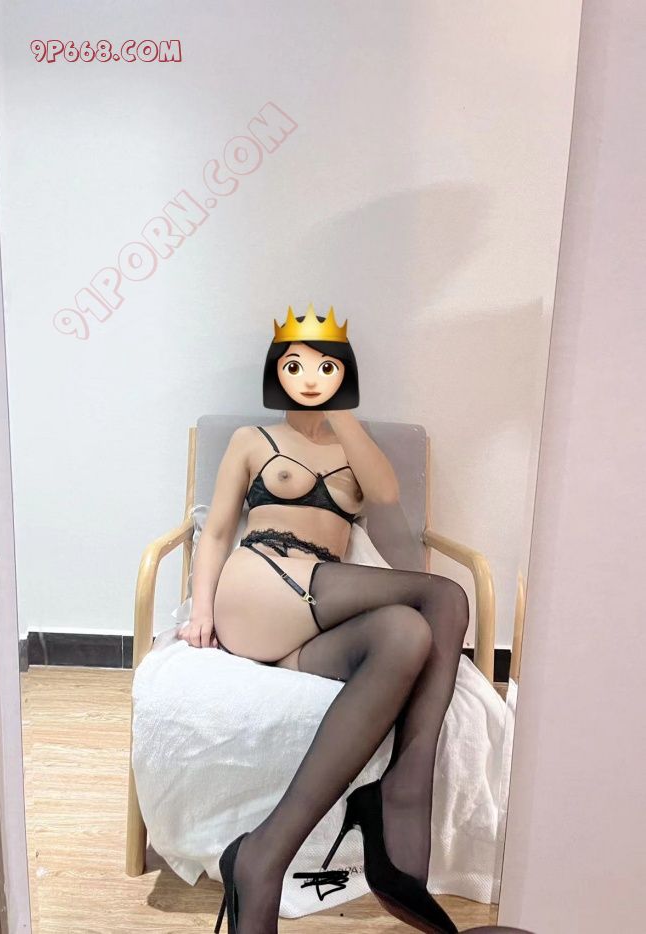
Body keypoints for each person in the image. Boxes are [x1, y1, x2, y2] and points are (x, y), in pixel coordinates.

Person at [178, 306, 470, 933]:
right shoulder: (252, 440)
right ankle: (400, 795)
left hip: (306, 627)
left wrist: (342, 414)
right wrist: (200, 610)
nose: (309, 377)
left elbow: (384, 497)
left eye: (326, 367)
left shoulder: (353, 449)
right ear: (275, 373)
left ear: (345, 375)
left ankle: (262, 856)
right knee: (444, 597)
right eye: (294, 366)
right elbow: (219, 529)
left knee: (407, 632)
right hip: (258, 587)